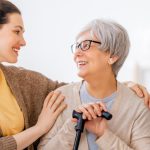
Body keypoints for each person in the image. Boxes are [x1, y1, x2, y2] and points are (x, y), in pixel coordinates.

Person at [38, 19, 150, 150]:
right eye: (77, 46)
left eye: (86, 45)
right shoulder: (61, 97)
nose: (77, 54)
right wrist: (72, 126)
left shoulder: (137, 106)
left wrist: (104, 134)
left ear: (112, 56)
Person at [0, 1, 67, 150]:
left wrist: (120, 85)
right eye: (17, 31)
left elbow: (66, 90)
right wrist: (39, 128)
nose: (23, 42)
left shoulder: (18, 79)